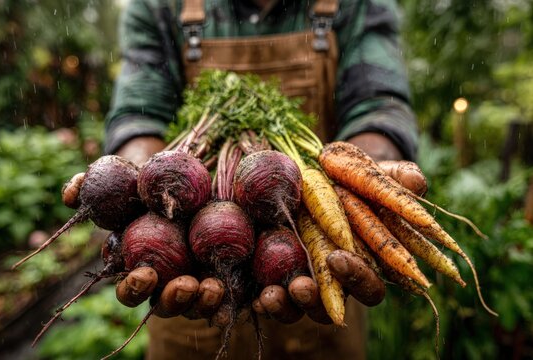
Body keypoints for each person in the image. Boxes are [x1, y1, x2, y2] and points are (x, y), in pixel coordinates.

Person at [104, 0, 420, 358]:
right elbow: (139, 112)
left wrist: (365, 174)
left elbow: (379, 103)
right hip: (185, 269)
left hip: (316, 265)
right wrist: (136, 178)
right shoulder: (160, 5)